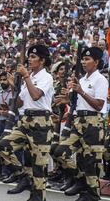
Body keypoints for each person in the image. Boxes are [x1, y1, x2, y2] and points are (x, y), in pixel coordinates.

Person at [0, 44, 54, 201]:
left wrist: (25, 77)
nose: (30, 59)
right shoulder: (31, 77)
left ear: (42, 61)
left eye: (33, 57)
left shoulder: (46, 77)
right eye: (29, 56)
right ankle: (23, 176)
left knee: (39, 166)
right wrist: (13, 85)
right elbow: (21, 102)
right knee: (2, 146)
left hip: (41, 121)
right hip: (25, 120)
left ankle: (37, 197)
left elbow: (36, 95)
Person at [53, 47, 108, 201]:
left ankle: (91, 195)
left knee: (90, 162)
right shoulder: (82, 80)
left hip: (93, 123)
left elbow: (99, 105)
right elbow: (78, 103)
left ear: (96, 62)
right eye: (82, 59)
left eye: (87, 59)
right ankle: (81, 180)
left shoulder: (100, 80)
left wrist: (81, 91)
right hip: (79, 122)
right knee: (59, 152)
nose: (84, 62)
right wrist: (67, 99)